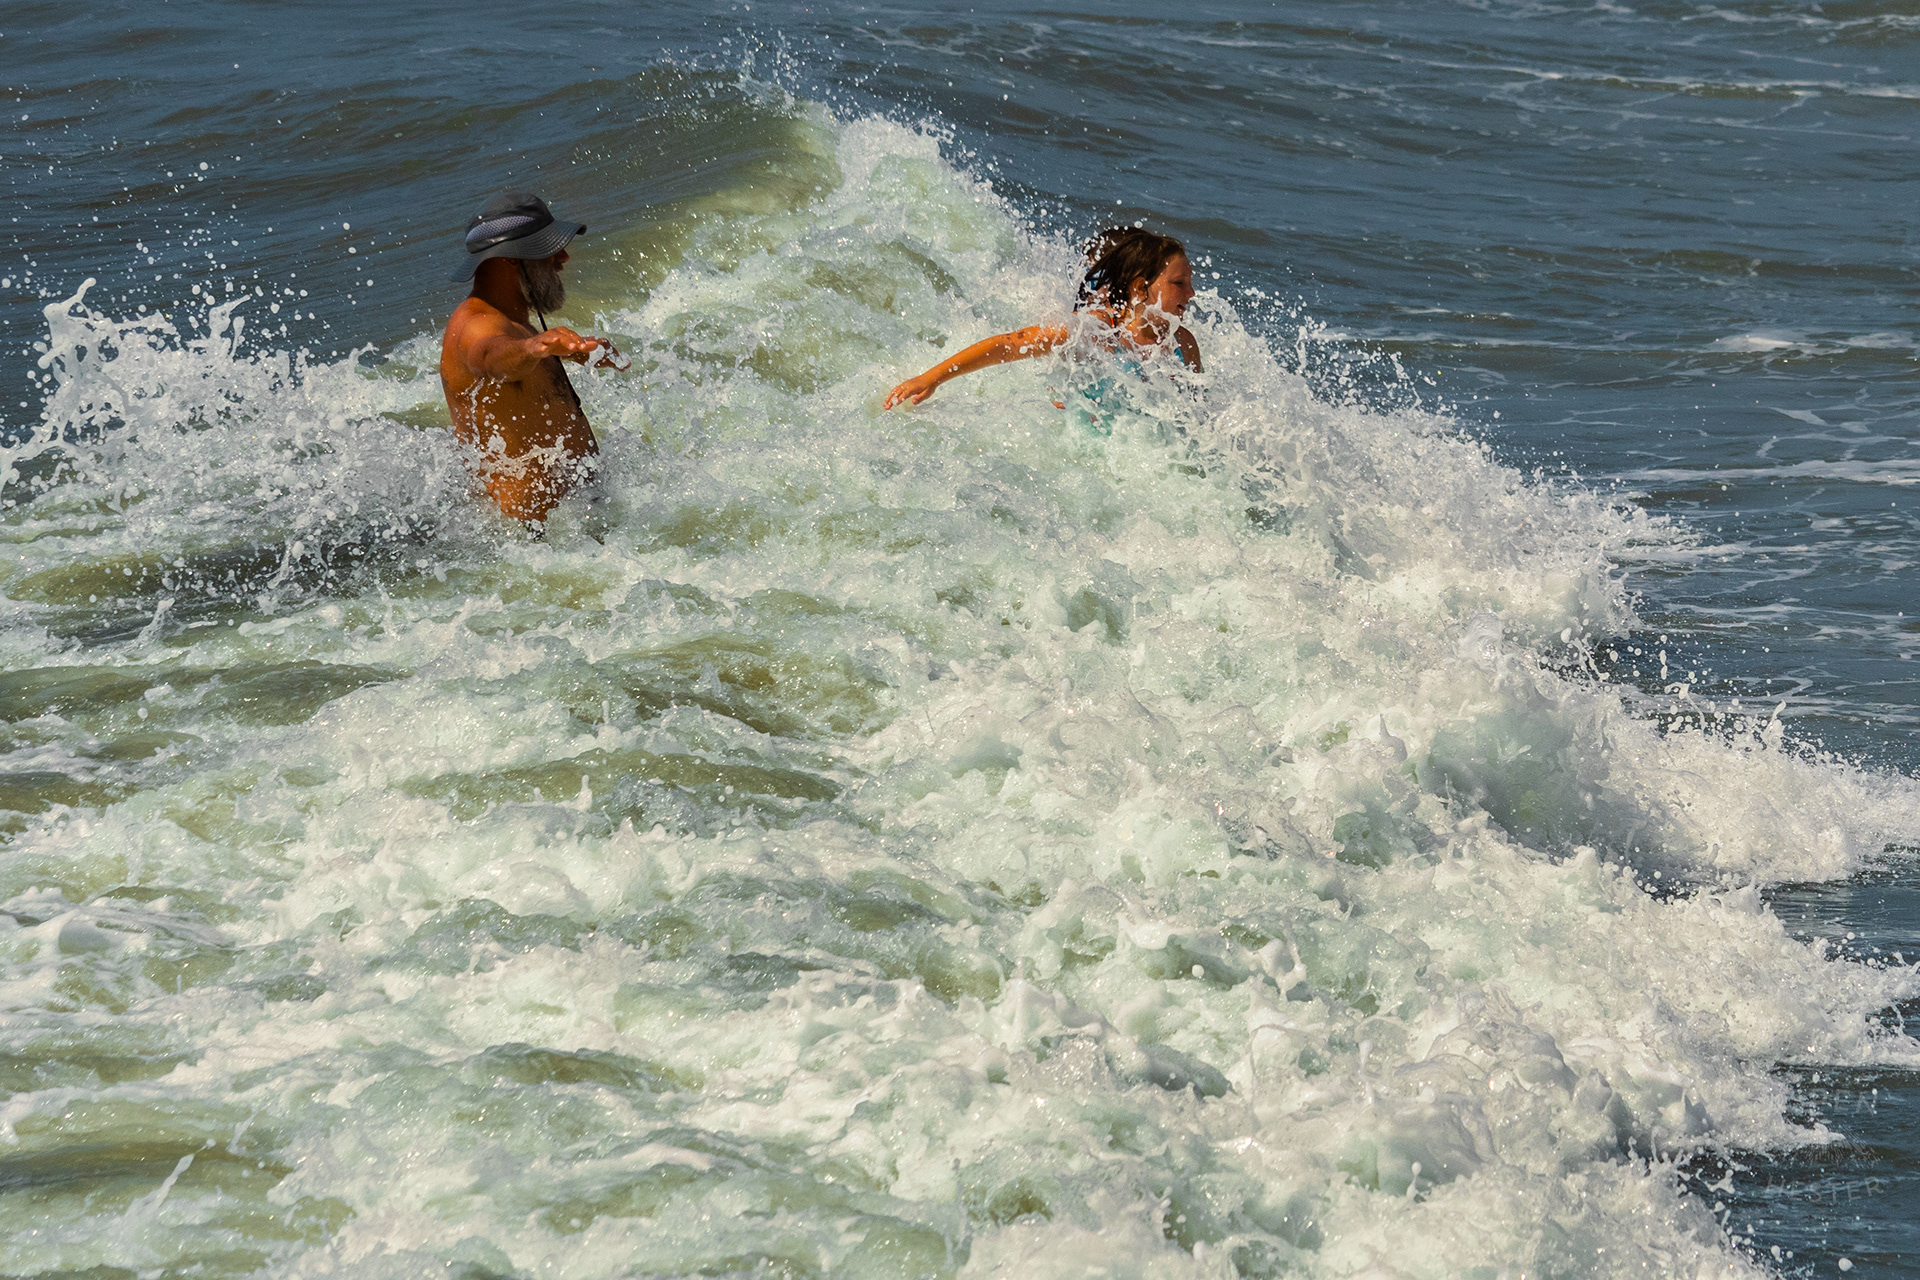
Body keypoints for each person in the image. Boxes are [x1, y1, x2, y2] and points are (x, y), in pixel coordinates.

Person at [441, 191, 618, 525]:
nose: (562, 257)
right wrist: (534, 348)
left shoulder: (514, 323)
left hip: (575, 525)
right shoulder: (474, 324)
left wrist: (571, 352)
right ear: (510, 259)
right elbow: (490, 358)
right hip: (534, 542)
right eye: (548, 248)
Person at [882, 228, 1201, 411]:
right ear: (1139, 287)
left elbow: (1192, 415)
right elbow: (1006, 346)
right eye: (1179, 283)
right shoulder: (1090, 330)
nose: (1191, 293)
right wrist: (931, 378)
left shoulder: (1182, 344)